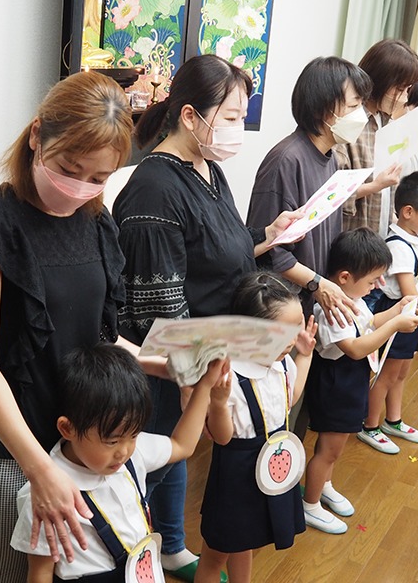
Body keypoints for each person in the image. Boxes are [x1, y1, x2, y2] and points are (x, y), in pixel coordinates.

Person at [0, 71, 165, 581]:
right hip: (12, 458)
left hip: (81, 450)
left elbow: (98, 337)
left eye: (99, 178)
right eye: (68, 169)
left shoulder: (95, 221)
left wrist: (166, 362)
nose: (81, 187)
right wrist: (39, 469)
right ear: (37, 135)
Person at [112, 54, 299, 581]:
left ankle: (172, 547)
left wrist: (266, 237)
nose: (239, 128)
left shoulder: (208, 169)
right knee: (156, 460)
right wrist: (202, 372)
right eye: (232, 117)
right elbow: (162, 317)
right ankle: (140, 558)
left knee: (178, 452)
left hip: (209, 347)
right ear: (190, 116)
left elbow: (221, 249)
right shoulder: (154, 190)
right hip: (170, 361)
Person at [11, 344, 229, 582]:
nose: (123, 452)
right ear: (67, 429)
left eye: (133, 435)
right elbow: (40, 572)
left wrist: (205, 386)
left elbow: (182, 445)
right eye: (112, 441)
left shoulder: (134, 453)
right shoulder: (45, 497)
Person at [195, 272, 317, 583]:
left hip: (270, 468)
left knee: (246, 543)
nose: (292, 339)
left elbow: (290, 400)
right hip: (236, 472)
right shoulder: (230, 376)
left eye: (297, 327)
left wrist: (304, 356)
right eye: (283, 333)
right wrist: (218, 403)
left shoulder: (282, 363)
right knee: (216, 553)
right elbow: (222, 438)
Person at [303, 228, 418, 534]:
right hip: (335, 384)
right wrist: (395, 325)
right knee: (328, 449)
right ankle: (310, 505)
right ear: (344, 277)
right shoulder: (331, 308)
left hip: (350, 381)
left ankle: (324, 485)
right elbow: (355, 348)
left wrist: (395, 310)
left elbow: (369, 323)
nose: (375, 286)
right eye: (371, 281)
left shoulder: (352, 297)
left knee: (337, 446)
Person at [247, 56, 372, 323]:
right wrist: (316, 283)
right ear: (321, 109)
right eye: (353, 106)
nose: (360, 115)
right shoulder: (286, 161)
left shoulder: (331, 158)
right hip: (280, 310)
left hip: (309, 305)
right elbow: (268, 249)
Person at [358, 173, 418, 455]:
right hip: (398, 313)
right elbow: (410, 291)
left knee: (400, 373)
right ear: (408, 212)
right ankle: (370, 425)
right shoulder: (398, 245)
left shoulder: (416, 238)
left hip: (412, 313)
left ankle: (393, 420)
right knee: (387, 374)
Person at [334, 39, 418, 238]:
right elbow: (333, 195)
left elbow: (384, 198)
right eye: (400, 89)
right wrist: (376, 185)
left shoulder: (386, 122)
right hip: (351, 240)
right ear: (381, 81)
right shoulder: (350, 121)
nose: (405, 98)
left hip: (379, 237)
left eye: (408, 89)